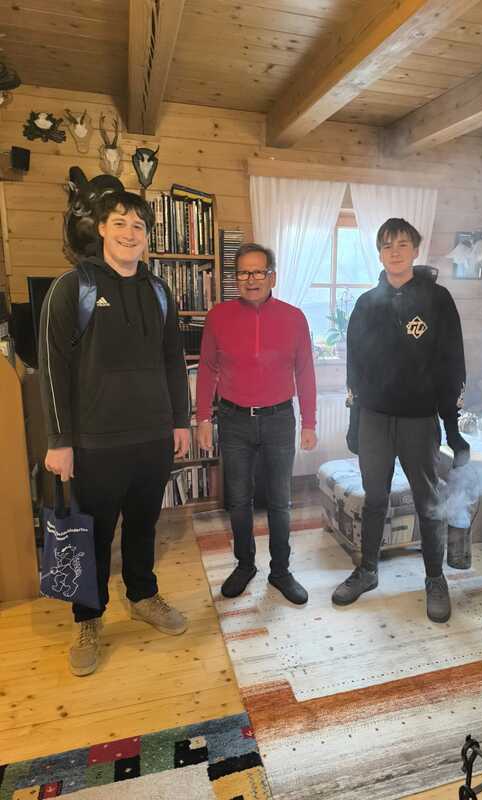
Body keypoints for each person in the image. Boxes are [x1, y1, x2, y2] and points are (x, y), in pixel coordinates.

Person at [39, 191, 191, 677]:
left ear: (147, 237)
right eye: (120, 223)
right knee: (94, 535)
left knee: (144, 525)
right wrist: (59, 440)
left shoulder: (159, 290)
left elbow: (173, 361)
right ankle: (88, 618)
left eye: (139, 226)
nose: (130, 233)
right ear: (102, 228)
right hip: (95, 443)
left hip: (152, 437)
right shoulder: (72, 287)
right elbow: (52, 367)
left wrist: (181, 421)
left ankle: (143, 596)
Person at [332, 218, 469, 622]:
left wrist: (453, 430)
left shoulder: (437, 300)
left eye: (403, 244)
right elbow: (355, 370)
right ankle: (368, 570)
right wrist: (355, 423)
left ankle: (435, 579)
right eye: (387, 245)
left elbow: (452, 366)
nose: (395, 251)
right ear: (379, 253)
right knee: (374, 498)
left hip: (419, 420)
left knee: (428, 501)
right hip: (374, 419)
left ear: (415, 249)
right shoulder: (365, 304)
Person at [196, 243, 317, 604]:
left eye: (258, 272)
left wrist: (309, 422)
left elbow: (305, 371)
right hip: (234, 420)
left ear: (272, 277)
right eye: (243, 273)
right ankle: (245, 565)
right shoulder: (218, 317)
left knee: (280, 501)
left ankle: (280, 571)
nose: (251, 279)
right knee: (238, 500)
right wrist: (203, 418)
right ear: (236, 278)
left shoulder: (294, 318)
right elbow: (207, 369)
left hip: (279, 419)